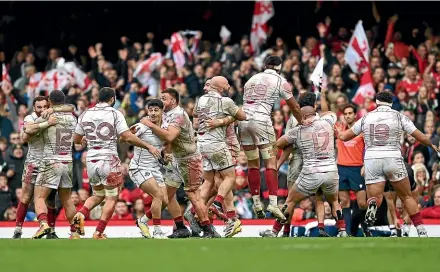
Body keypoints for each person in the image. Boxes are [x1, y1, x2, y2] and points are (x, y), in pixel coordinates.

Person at [339, 91, 438, 237]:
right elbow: (418, 135)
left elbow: (345, 137)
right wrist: (431, 144)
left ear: (377, 102)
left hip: (372, 159)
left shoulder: (366, 117)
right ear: (391, 103)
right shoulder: (398, 116)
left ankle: (372, 204)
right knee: (407, 197)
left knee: (375, 197)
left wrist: (339, 133)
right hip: (392, 157)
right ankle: (421, 230)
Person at [73, 87, 160, 239]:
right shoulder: (115, 113)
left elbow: (76, 140)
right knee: (112, 197)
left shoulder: (85, 114)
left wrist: (86, 139)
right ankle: (98, 232)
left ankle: (81, 214)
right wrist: (148, 146)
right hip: (108, 159)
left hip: (91, 160)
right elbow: (127, 136)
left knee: (98, 195)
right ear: (112, 99)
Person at [140, 88, 216, 238]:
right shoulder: (166, 114)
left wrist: (149, 124)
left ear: (173, 101)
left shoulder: (178, 115)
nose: (161, 101)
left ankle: (208, 230)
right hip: (175, 159)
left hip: (189, 159)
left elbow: (169, 136)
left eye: (164, 99)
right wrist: (166, 153)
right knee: (166, 195)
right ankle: (181, 227)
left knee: (193, 195)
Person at [238, 55, 302, 220]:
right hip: (262, 121)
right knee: (270, 163)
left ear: (264, 65)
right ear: (279, 67)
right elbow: (294, 106)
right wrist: (302, 122)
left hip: (244, 122)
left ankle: (256, 202)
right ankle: (273, 203)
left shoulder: (251, 79)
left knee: (252, 163)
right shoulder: (281, 80)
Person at [276, 106, 348, 237]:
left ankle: (274, 231)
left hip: (311, 172)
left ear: (302, 117)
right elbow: (332, 113)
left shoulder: (298, 130)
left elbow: (279, 143)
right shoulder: (328, 121)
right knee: (334, 202)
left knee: (290, 201)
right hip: (331, 171)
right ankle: (342, 231)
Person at [193, 76, 247, 238]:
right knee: (229, 177)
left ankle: (196, 212)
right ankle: (218, 202)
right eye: (226, 83)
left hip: (201, 144)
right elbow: (242, 116)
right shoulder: (226, 102)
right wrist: (224, 120)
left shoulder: (201, 100)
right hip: (217, 144)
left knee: (209, 181)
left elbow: (195, 113)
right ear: (220, 87)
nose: (229, 85)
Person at [13, 96, 73, 239]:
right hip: (33, 163)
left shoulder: (54, 115)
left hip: (50, 163)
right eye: (39, 107)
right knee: (26, 196)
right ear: (34, 108)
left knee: (51, 199)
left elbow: (71, 107)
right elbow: (25, 136)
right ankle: (18, 229)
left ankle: (51, 231)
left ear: (49, 106)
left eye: (45, 106)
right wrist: (46, 123)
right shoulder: (30, 118)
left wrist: (53, 110)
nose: (42, 110)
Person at [130, 99, 182, 239]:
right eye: (150, 110)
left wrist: (166, 158)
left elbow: (165, 150)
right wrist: (147, 146)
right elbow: (124, 138)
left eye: (156, 110)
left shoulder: (165, 129)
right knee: (158, 196)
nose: (153, 113)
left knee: (165, 200)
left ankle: (143, 221)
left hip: (154, 169)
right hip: (138, 167)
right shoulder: (141, 126)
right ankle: (157, 230)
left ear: (161, 111)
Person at [334, 104, 368, 236]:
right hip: (341, 168)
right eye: (345, 114)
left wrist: (365, 164)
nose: (348, 116)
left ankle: (361, 228)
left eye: (350, 113)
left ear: (355, 115)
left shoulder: (361, 131)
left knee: (362, 203)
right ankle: (347, 232)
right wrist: (323, 94)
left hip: (357, 168)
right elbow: (326, 112)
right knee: (344, 202)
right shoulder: (339, 129)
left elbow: (368, 148)